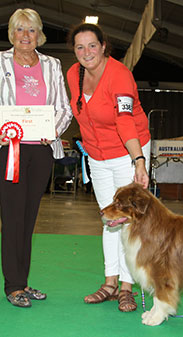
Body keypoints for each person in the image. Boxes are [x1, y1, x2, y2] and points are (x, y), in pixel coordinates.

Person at [67, 23, 151, 312]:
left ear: (104, 46)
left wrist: (139, 160)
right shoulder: (73, 75)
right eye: (80, 47)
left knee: (128, 221)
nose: (86, 52)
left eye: (92, 45)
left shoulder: (119, 75)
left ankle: (127, 287)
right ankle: (110, 283)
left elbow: (124, 120)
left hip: (128, 151)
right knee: (109, 218)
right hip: (97, 156)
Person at [0, 8, 73, 307]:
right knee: (13, 218)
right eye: (20, 29)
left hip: (42, 150)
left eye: (31, 30)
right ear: (12, 34)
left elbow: (64, 107)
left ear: (39, 34)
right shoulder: (0, 62)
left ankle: (23, 281)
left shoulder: (52, 65)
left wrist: (52, 131)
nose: (25, 36)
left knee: (28, 220)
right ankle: (13, 286)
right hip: (10, 150)